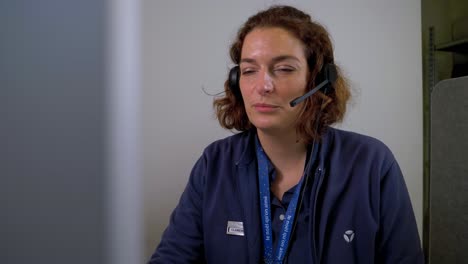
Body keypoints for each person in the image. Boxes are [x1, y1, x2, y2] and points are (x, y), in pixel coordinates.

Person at [149, 5, 424, 264]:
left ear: (317, 81)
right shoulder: (215, 164)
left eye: (283, 69)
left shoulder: (371, 164)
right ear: (236, 82)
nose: (263, 85)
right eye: (248, 70)